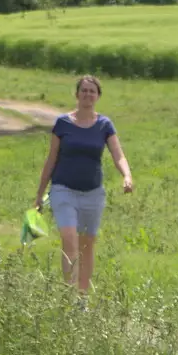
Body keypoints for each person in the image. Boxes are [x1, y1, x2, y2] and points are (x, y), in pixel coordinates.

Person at [33, 75, 133, 293]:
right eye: (84, 90)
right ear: (77, 94)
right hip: (63, 189)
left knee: (87, 247)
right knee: (70, 240)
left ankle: (82, 297)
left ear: (97, 97)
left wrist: (126, 175)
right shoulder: (63, 123)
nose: (88, 94)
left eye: (92, 91)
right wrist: (39, 195)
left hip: (93, 194)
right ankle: (69, 294)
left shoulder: (104, 125)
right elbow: (51, 159)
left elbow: (118, 154)